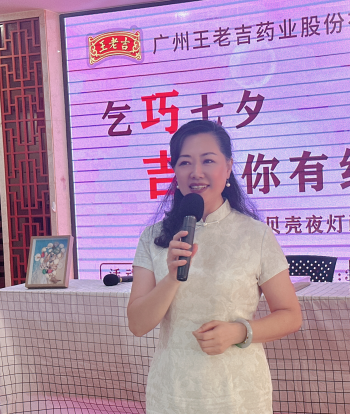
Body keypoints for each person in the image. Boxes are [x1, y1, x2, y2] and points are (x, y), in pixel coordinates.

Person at [127, 119, 302, 414]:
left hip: (238, 395)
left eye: (208, 160)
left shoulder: (256, 235)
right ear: (175, 171)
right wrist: (171, 278)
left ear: (228, 167)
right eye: (185, 162)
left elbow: (290, 316)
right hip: (173, 392)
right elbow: (138, 324)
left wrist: (239, 332)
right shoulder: (153, 237)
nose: (196, 172)